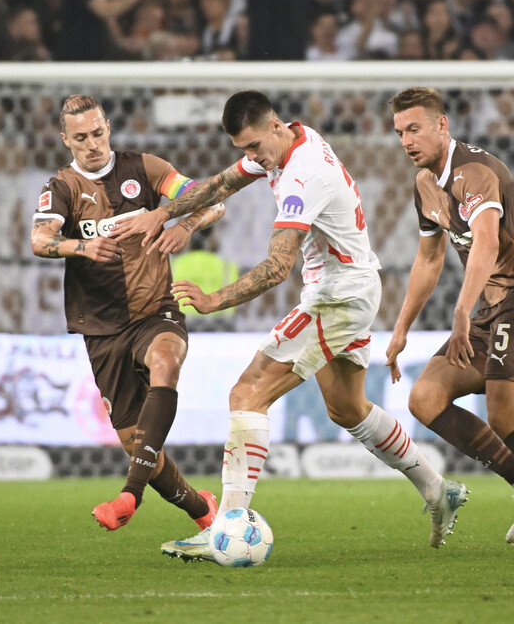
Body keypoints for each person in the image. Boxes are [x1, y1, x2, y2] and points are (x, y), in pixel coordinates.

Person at [112, 90, 468, 561]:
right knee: (347, 408)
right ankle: (437, 489)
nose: (252, 157)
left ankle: (228, 525)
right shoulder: (289, 142)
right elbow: (219, 185)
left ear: (275, 126)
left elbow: (278, 266)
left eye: (255, 147)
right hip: (353, 288)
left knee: (247, 392)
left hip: (337, 297)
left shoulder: (303, 175)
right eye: (245, 150)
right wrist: (163, 212)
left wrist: (215, 299)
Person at [384, 87, 514, 555]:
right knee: (425, 396)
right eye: (400, 132)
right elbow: (428, 260)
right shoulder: (425, 184)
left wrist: (461, 311)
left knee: (505, 413)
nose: (406, 140)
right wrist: (401, 328)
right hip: (491, 307)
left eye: (414, 128)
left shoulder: (475, 171)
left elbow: (487, 243)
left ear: (442, 125)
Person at [29, 94, 225, 534]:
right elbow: (39, 241)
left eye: (98, 133)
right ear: (66, 140)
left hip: (155, 310)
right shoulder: (61, 187)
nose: (92, 144)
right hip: (100, 328)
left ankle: (128, 497)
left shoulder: (146, 169)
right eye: (81, 138)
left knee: (166, 360)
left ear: (108, 128)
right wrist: (81, 246)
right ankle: (202, 509)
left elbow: (211, 198)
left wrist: (181, 224)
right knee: (138, 447)